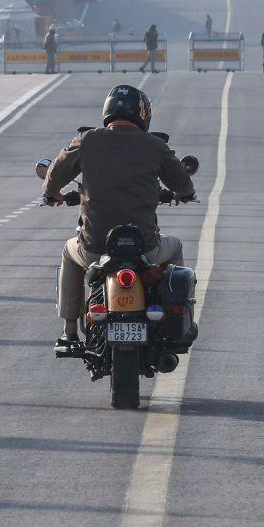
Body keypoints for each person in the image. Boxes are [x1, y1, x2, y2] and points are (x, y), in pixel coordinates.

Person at [45, 85, 194, 351]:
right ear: (144, 114)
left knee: (69, 251)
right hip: (145, 250)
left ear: (107, 111)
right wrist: (184, 194)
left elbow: (55, 175)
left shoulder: (87, 139)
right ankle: (178, 322)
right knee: (176, 246)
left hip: (95, 249)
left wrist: (53, 194)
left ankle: (69, 331)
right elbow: (182, 184)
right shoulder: (156, 145)